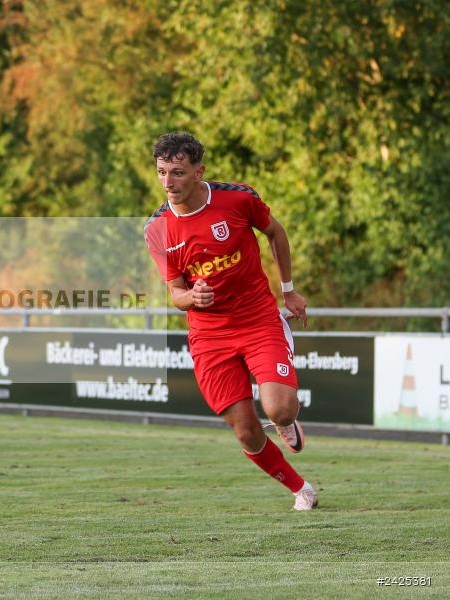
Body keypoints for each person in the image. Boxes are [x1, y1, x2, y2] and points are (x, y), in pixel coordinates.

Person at [143, 132, 316, 510]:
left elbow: (275, 232)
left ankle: (286, 420)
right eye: (161, 172)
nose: (168, 182)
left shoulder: (238, 198)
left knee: (280, 409)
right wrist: (193, 297)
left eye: (177, 173)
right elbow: (175, 293)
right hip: (209, 338)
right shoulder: (157, 229)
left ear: (199, 171)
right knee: (246, 431)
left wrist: (288, 290)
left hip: (258, 320)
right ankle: (301, 489)